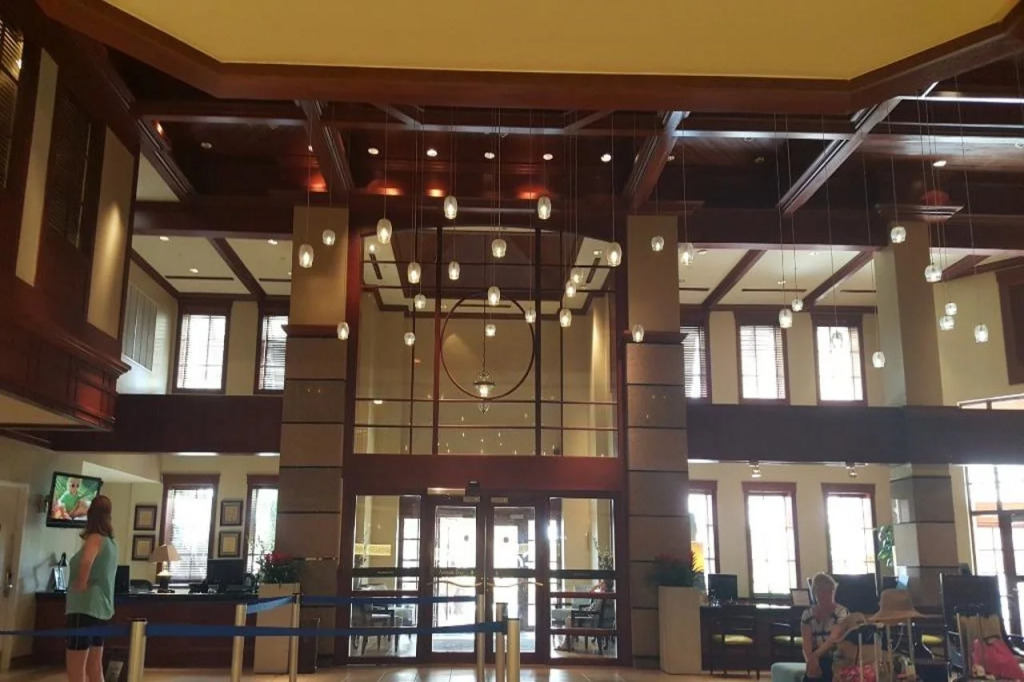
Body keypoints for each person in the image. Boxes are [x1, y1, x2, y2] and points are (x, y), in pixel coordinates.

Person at [65, 495, 117, 682]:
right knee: (95, 667)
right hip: (101, 609)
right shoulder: (111, 543)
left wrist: (81, 581)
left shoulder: (95, 539)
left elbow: (87, 561)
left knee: (76, 669)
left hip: (84, 607)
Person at [801, 573, 849, 682]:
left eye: (829, 591)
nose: (826, 595)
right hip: (815, 656)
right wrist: (810, 660)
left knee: (825, 668)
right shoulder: (807, 615)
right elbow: (806, 642)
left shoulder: (841, 612)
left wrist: (815, 656)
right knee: (812, 673)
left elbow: (833, 639)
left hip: (835, 656)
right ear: (815, 593)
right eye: (822, 591)